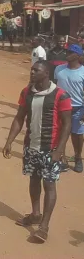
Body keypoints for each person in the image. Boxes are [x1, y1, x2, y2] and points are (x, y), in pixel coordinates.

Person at [3, 60, 71, 243]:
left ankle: (44, 226)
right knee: (33, 180)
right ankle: (35, 214)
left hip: (50, 150)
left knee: (49, 185)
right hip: (31, 147)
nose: (32, 72)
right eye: (31, 69)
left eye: (36, 70)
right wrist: (9, 141)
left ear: (46, 73)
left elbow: (67, 125)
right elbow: (19, 117)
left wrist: (60, 149)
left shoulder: (61, 95)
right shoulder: (26, 93)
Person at [54, 44, 84, 173]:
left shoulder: (83, 72)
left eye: (71, 52)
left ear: (78, 56)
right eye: (67, 51)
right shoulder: (59, 69)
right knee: (61, 134)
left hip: (78, 108)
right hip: (60, 107)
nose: (67, 54)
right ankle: (63, 160)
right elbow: (54, 87)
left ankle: (78, 158)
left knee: (77, 135)